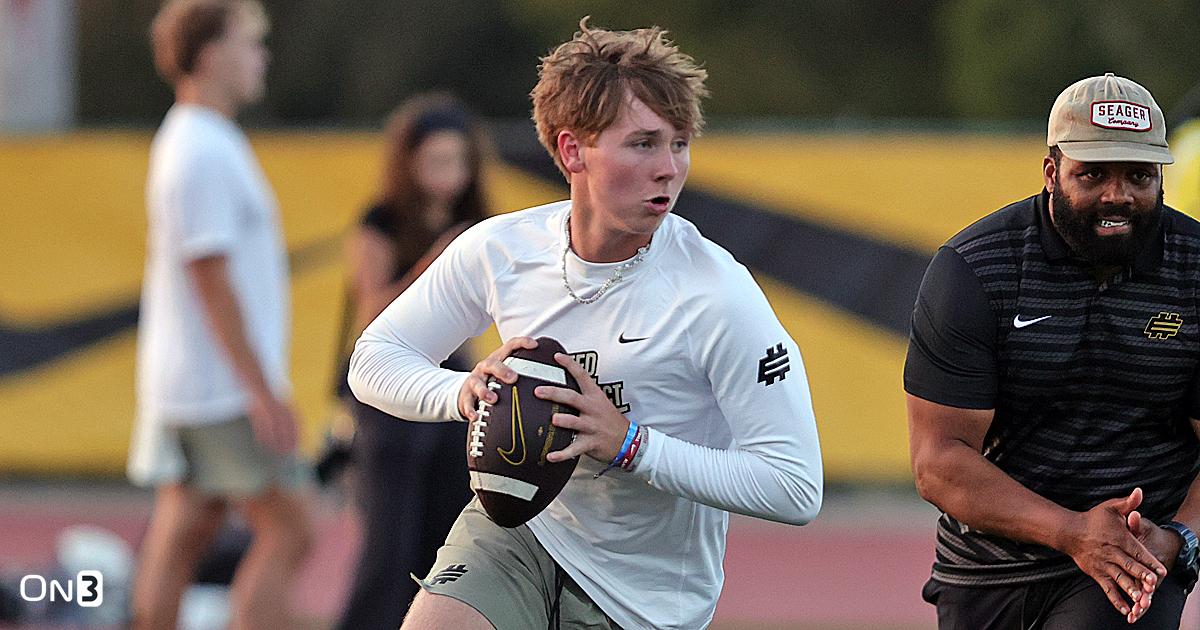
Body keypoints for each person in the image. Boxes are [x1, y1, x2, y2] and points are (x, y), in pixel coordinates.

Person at [348, 18, 823, 630]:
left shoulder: (717, 293)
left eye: (679, 143)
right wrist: (461, 392)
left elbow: (794, 486)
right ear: (573, 150)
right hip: (520, 526)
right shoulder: (501, 250)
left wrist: (630, 444)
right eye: (643, 143)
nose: (670, 168)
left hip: (644, 592)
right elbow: (375, 356)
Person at [905, 73, 1200, 630]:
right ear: (1051, 172)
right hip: (986, 570)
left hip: (1130, 564)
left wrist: (1179, 539)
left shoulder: (1196, 269)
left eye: (1138, 175)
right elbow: (938, 462)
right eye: (1092, 174)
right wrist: (1072, 532)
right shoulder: (973, 269)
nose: (1118, 195)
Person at [125, 1, 313, 628]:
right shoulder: (200, 150)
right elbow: (210, 280)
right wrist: (261, 392)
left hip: (198, 382)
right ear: (211, 54)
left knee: (188, 526)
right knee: (293, 528)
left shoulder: (200, 138)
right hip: (219, 389)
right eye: (250, 42)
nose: (262, 56)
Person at [333, 92, 485, 630]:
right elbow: (371, 309)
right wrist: (438, 260)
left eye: (458, 162)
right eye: (436, 162)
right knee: (387, 547)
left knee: (448, 539)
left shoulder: (476, 222)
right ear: (410, 164)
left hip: (455, 390)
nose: (449, 176)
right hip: (391, 394)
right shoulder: (381, 221)